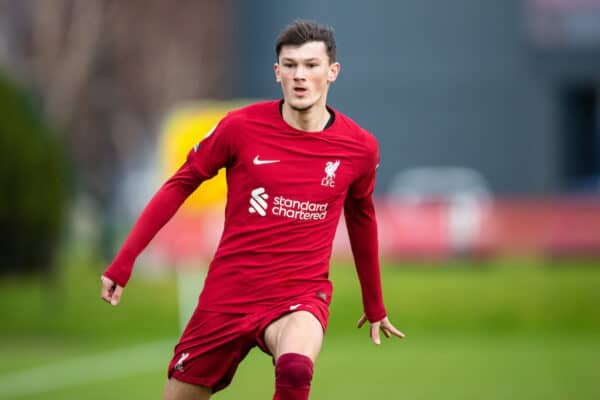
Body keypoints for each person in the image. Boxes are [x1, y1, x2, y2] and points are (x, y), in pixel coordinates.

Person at [100, 19, 404, 400]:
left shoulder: (359, 148)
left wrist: (374, 303)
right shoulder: (240, 128)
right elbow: (180, 184)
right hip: (229, 295)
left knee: (295, 367)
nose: (300, 75)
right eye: (290, 65)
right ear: (277, 73)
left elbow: (362, 219)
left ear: (332, 72)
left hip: (300, 295)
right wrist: (125, 261)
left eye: (311, 65)